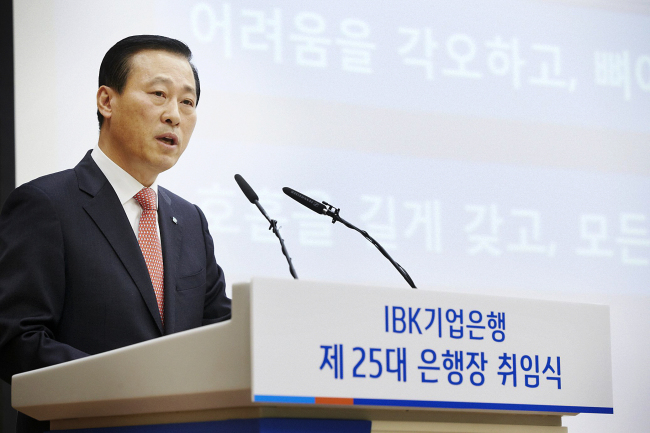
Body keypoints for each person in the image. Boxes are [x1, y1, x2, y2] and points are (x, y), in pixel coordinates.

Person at [0, 35, 231, 433]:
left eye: (188, 102)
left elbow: (219, 333)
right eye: (159, 94)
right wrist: (127, 386)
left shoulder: (190, 221)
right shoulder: (46, 204)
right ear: (106, 101)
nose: (174, 115)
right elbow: (16, 339)